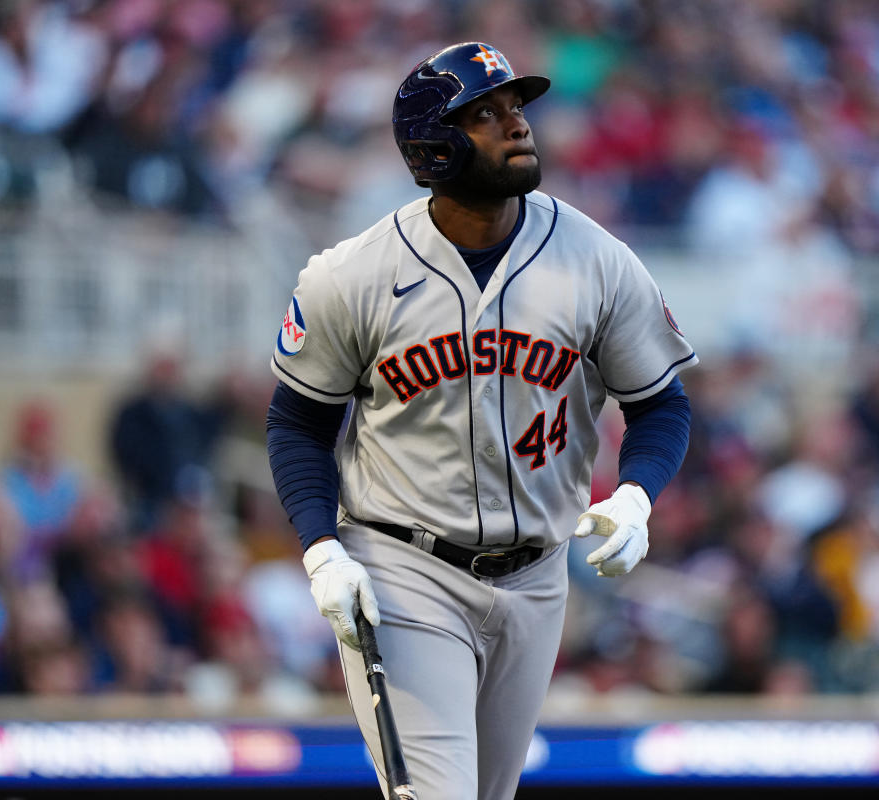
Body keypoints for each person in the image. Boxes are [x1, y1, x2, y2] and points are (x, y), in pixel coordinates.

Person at [266, 42, 696, 800]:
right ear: (433, 149)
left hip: (537, 576)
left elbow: (659, 403)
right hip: (405, 569)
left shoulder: (597, 259)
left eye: (516, 107)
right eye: (486, 114)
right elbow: (298, 424)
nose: (516, 125)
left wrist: (636, 495)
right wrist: (323, 552)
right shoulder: (352, 275)